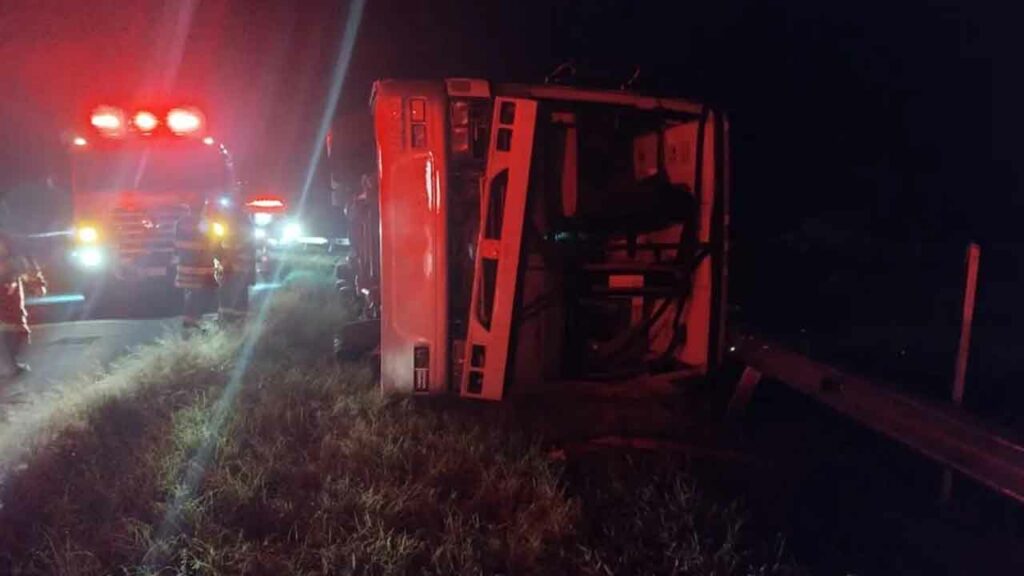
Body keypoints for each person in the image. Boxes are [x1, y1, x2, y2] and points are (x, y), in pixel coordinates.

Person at [0, 230, 46, 376]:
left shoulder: (15, 258)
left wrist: (37, 284)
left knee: (17, 331)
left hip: (10, 306)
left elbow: (29, 271)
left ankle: (12, 363)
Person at [173, 203, 218, 332]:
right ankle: (192, 322)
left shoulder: (180, 222)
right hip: (201, 268)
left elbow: (176, 243)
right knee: (200, 295)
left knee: (190, 294)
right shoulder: (205, 223)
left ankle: (190, 322)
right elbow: (212, 244)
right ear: (202, 207)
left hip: (185, 267)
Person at [213, 199, 255, 325]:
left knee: (227, 295)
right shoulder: (247, 221)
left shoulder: (232, 222)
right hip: (244, 267)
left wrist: (223, 261)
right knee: (241, 297)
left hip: (233, 266)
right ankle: (239, 324)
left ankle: (225, 323)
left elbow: (229, 246)